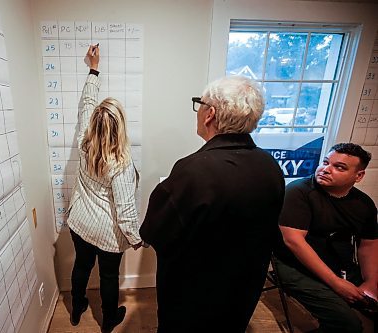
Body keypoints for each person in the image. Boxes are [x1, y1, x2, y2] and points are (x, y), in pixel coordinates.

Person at [139, 75, 285, 332]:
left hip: (194, 296)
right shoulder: (270, 166)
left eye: (200, 104)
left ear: (210, 114)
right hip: (244, 288)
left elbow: (155, 232)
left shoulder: (192, 171)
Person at [67, 45, 143, 333]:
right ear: (120, 128)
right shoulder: (120, 163)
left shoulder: (85, 141)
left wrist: (93, 70)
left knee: (81, 267)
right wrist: (137, 239)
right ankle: (109, 321)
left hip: (79, 223)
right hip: (107, 233)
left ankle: (77, 307)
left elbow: (86, 103)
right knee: (109, 277)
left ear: (97, 122)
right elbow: (125, 212)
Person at [274, 143, 378, 333]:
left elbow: (369, 244)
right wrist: (337, 284)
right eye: (325, 162)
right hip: (294, 265)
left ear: (359, 176)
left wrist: (371, 282)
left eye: (339, 167)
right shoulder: (299, 192)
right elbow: (294, 242)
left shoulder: (364, 203)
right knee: (347, 324)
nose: (325, 169)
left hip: (339, 263)